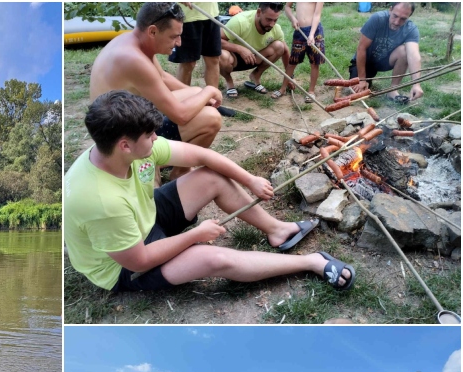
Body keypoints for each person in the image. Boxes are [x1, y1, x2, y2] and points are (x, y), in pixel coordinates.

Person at [64, 91, 351, 295]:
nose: (156, 138)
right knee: (212, 259)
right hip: (124, 267)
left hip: (144, 216)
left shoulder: (125, 149)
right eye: (150, 135)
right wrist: (194, 235)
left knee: (211, 176)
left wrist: (249, 179)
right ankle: (313, 262)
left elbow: (201, 155)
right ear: (125, 146)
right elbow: (138, 260)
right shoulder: (99, 201)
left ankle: (277, 230)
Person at [89, 3, 224, 178]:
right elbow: (181, 115)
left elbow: (162, 77)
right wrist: (210, 90)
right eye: (174, 36)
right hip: (123, 142)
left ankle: (174, 168)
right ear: (152, 31)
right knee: (211, 119)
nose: (179, 42)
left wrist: (200, 94)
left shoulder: (133, 42)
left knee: (196, 93)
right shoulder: (133, 59)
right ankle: (163, 169)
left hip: (127, 120)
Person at [350, 2, 422, 103]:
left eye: (403, 19)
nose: (397, 22)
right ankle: (365, 77)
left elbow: (414, 56)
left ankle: (392, 90)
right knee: (356, 91)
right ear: (390, 9)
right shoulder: (377, 19)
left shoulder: (411, 29)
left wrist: (416, 84)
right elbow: (361, 49)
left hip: (385, 61)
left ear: (409, 16)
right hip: (366, 60)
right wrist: (362, 79)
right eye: (395, 16)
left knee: (404, 51)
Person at [219, 3, 289, 99]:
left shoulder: (276, 29)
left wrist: (289, 78)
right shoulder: (240, 21)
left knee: (279, 46)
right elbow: (216, 41)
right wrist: (240, 49)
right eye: (268, 19)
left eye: (275, 20)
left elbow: (285, 51)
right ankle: (229, 82)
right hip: (233, 58)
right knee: (221, 55)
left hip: (255, 58)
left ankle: (256, 76)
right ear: (259, 12)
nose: (272, 24)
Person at [169, 2, 223, 90]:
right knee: (188, 63)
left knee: (213, 59)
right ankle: (183, 99)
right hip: (187, 16)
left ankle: (213, 99)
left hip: (211, 14)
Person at [280, 2, 325, 102]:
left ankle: (311, 92)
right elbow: (287, 7)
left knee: (314, 63)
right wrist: (293, 19)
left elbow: (317, 15)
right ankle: (282, 88)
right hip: (299, 31)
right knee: (292, 61)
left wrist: (312, 34)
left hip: (315, 31)